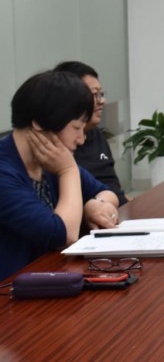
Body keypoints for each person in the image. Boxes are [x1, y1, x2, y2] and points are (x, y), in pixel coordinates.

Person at [0, 71, 120, 280]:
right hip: (12, 291)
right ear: (39, 123)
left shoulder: (47, 159)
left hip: (49, 278)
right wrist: (68, 171)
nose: (81, 139)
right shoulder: (6, 171)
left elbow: (108, 193)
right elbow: (63, 234)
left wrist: (94, 205)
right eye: (76, 127)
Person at [54, 61, 128, 206]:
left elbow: (113, 191)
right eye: (94, 95)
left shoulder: (97, 134)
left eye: (101, 94)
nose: (102, 101)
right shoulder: (59, 149)